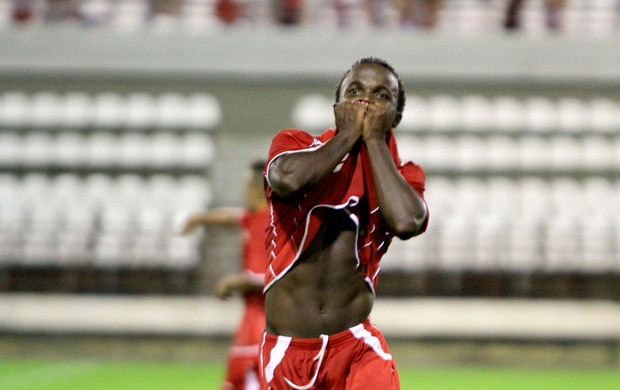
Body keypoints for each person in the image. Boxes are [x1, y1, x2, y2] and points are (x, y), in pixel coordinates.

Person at [260, 57, 429, 389]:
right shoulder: (294, 145)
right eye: (355, 91)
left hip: (356, 349)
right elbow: (288, 182)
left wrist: (375, 141)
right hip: (289, 353)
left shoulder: (404, 174)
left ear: (395, 116)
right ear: (337, 105)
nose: (365, 101)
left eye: (381, 95)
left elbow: (407, 221)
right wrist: (348, 134)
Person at [181, 160, 269, 390]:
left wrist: (233, 282)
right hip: (256, 322)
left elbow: (266, 278)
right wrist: (198, 218)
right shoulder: (254, 218)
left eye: (246, 185)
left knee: (239, 381)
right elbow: (230, 217)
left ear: (254, 188)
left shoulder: (264, 222)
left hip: (261, 322)